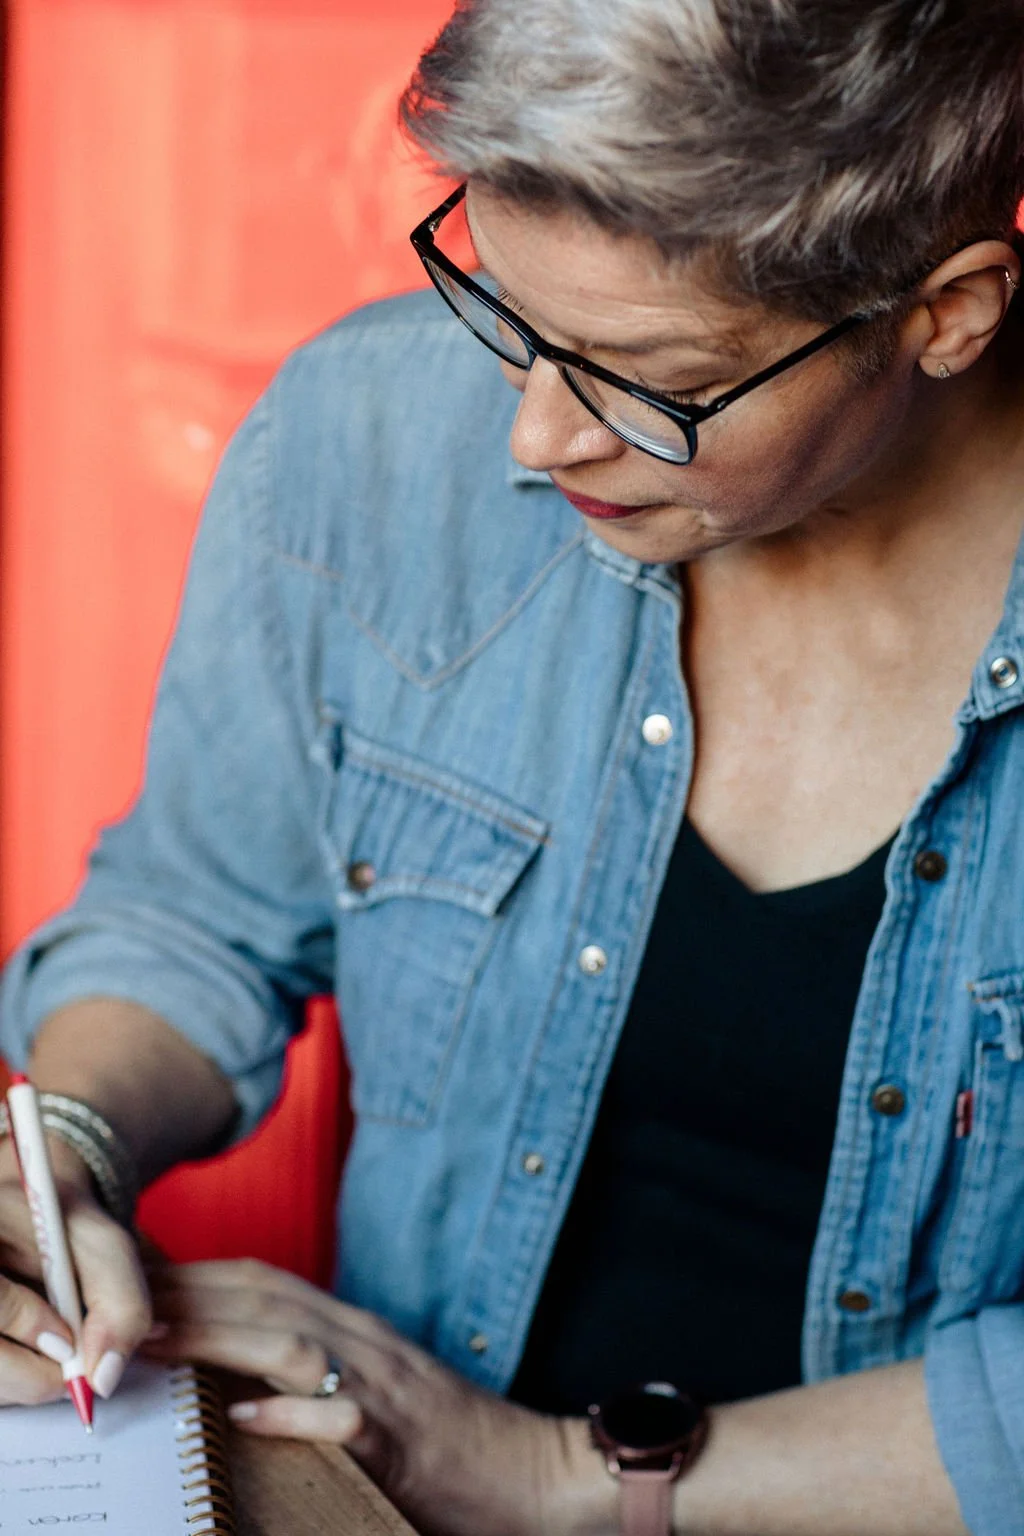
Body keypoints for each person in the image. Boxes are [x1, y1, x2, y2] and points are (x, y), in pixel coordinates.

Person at [2, 0, 1024, 1531]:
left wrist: (557, 1478)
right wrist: (66, 1146)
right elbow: (191, 920)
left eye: (650, 377)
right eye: (500, 304)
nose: (537, 436)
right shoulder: (368, 433)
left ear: (946, 312)